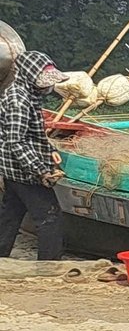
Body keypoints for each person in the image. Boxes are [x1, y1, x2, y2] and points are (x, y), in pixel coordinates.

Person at [0, 24, 69, 261]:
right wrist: (41, 171)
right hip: (22, 170)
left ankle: (2, 260)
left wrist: (50, 150)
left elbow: (33, 133)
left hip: (12, 170)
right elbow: (16, 141)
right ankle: (49, 269)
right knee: (50, 216)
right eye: (44, 80)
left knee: (10, 216)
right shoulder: (19, 100)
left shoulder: (27, 94)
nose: (47, 85)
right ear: (30, 76)